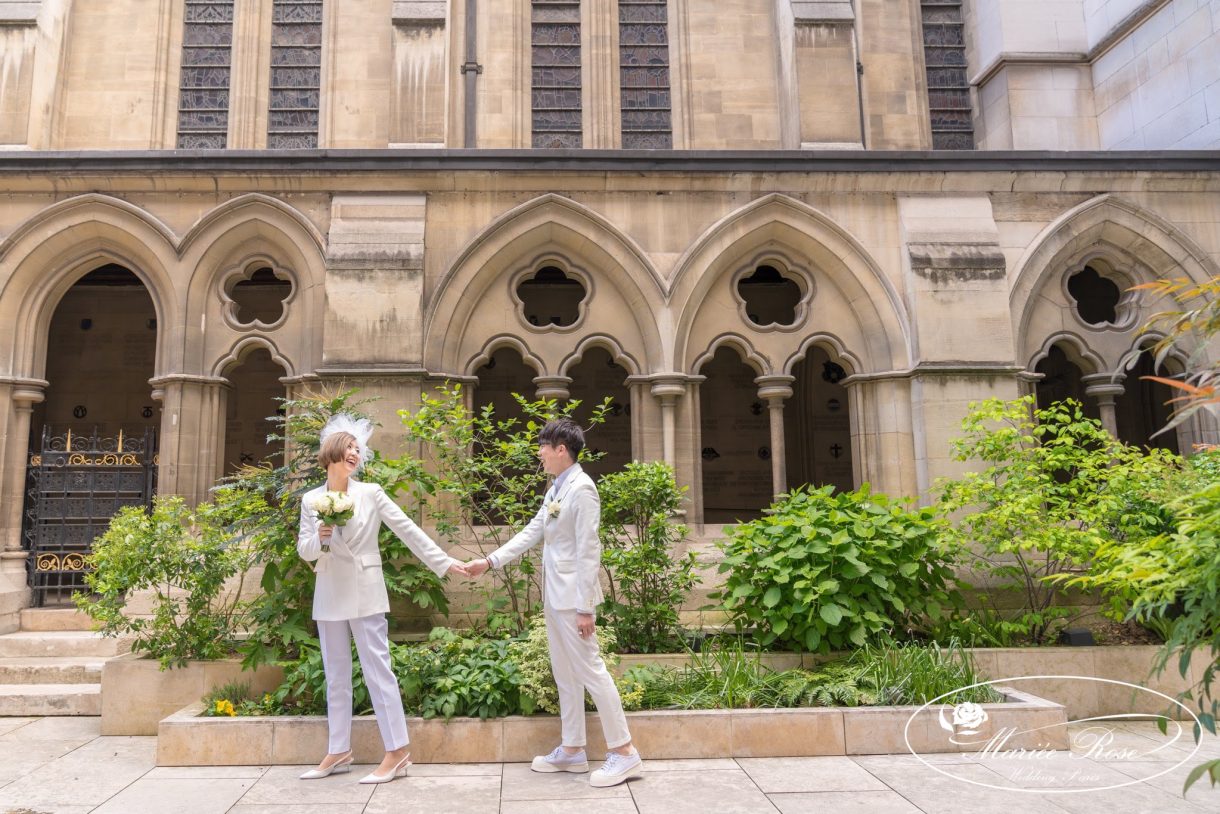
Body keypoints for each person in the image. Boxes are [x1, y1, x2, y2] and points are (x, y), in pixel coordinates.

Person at [464, 418, 644, 787]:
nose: (540, 454)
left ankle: (624, 752)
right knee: (565, 675)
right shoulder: (556, 488)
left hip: (573, 601)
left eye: (543, 447)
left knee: (592, 671)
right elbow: (534, 530)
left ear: (562, 449)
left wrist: (585, 608)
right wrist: (490, 561)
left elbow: (588, 550)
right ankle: (573, 749)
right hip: (555, 597)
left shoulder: (582, 489)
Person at [296, 414, 467, 784]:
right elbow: (305, 551)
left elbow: (407, 529)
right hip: (328, 591)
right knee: (336, 675)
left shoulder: (370, 494)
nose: (355, 454)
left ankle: (398, 752)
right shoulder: (311, 499)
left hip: (364, 590)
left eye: (358, 449)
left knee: (378, 671)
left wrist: (444, 562)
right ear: (331, 455)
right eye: (348, 449)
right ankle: (339, 749)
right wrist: (322, 535)